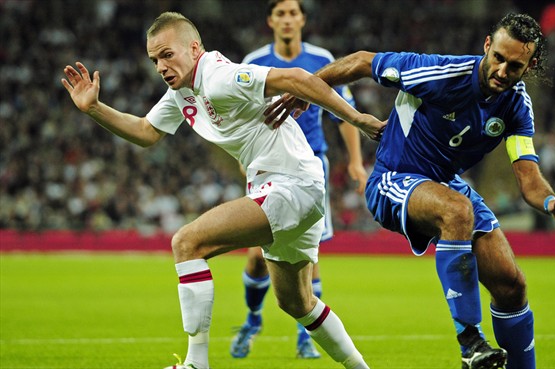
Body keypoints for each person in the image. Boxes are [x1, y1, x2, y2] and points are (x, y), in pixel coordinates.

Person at [61, 11, 384, 369]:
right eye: (154, 60)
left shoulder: (219, 77)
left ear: (194, 48)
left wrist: (357, 118)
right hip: (289, 186)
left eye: (167, 54)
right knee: (297, 303)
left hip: (291, 184)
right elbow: (145, 132)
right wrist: (93, 109)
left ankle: (196, 364)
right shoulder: (181, 92)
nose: (160, 66)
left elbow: (295, 76)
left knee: (187, 243)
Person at [266, 12, 555, 369]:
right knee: (457, 210)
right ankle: (470, 342)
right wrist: (304, 90)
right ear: (487, 46)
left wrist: (550, 200)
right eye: (498, 58)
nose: (502, 71)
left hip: (445, 186)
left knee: (512, 285)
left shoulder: (516, 105)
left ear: (530, 65)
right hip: (393, 178)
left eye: (515, 66)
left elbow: (528, 177)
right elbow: (360, 61)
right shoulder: (440, 74)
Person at [230, 0, 368, 360]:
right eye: (281, 13)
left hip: (310, 167)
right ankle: (253, 318)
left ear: (302, 20)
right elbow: (239, 116)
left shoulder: (321, 58)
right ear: (271, 21)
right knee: (258, 258)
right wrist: (245, 158)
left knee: (309, 255)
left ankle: (306, 335)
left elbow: (341, 110)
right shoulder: (254, 61)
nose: (288, 19)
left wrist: (355, 162)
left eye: (294, 13)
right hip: (267, 163)